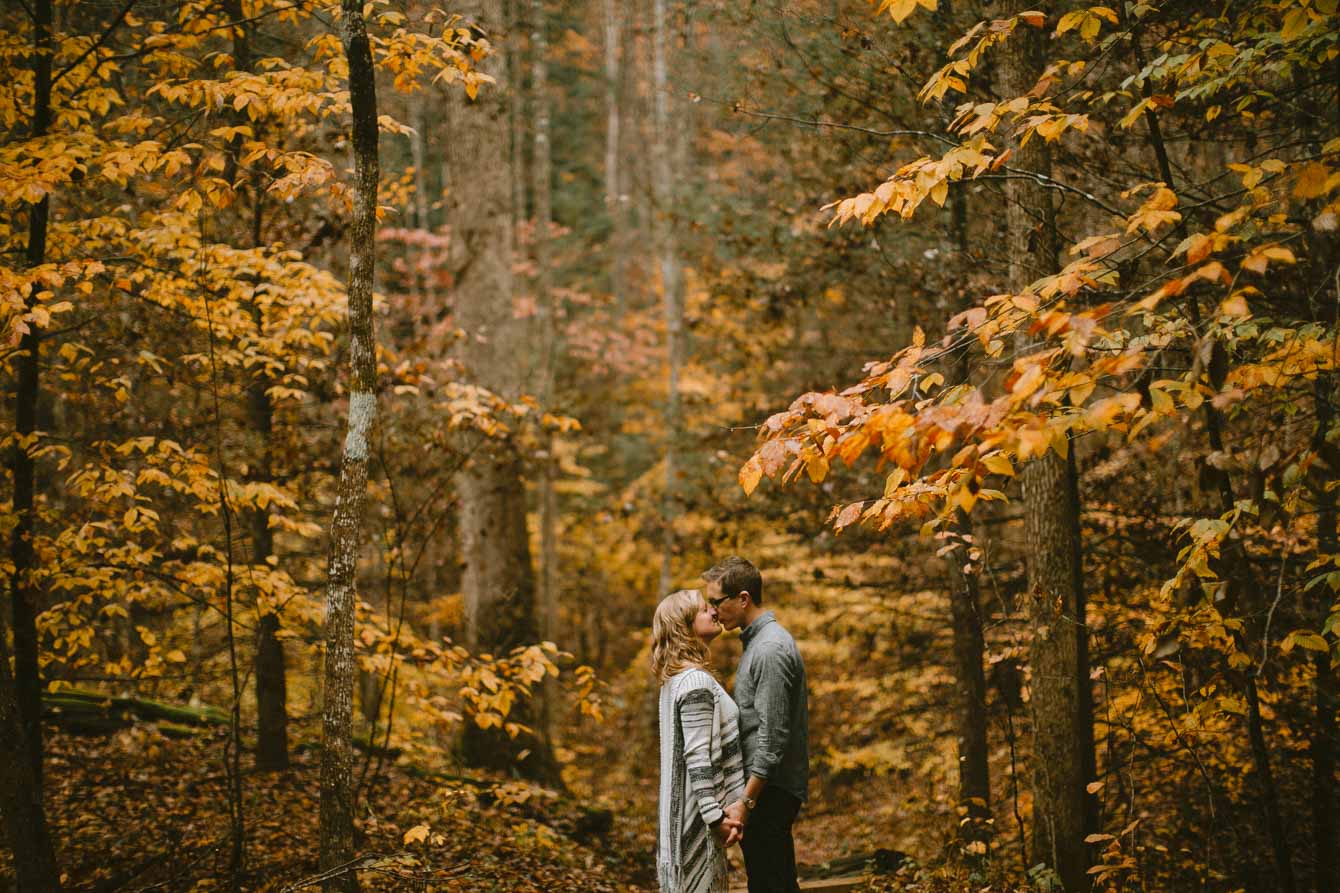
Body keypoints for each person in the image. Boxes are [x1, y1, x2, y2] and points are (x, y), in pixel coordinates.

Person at [704, 556, 809, 893]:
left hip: (769, 791)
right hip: (763, 790)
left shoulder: (769, 649)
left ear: (743, 598)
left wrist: (746, 801)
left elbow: (772, 736)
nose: (713, 612)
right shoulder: (756, 644)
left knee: (773, 884)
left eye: (716, 602)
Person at [653, 589, 747, 893]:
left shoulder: (674, 681)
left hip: (678, 824)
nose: (714, 612)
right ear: (685, 624)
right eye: (705, 609)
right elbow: (697, 757)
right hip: (696, 825)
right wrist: (715, 816)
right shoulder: (694, 682)